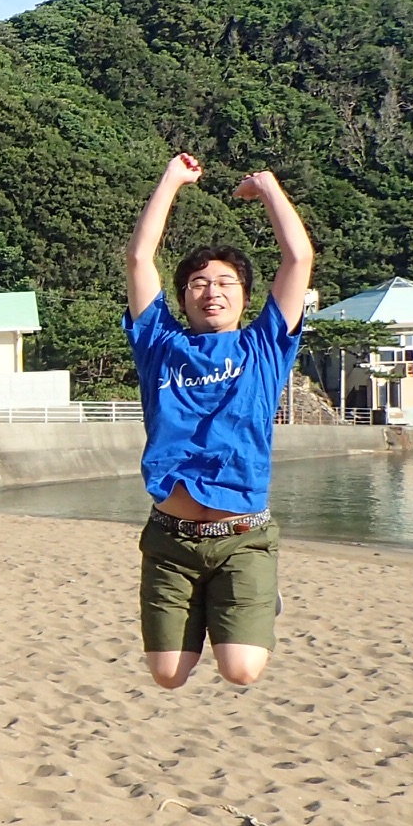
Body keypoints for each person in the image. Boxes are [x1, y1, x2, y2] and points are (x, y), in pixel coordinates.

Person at [123, 153, 312, 689]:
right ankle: (218, 606)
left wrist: (269, 189)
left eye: (227, 282)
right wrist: (171, 180)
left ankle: (248, 593)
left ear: (246, 297)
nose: (213, 291)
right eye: (200, 283)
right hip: (170, 540)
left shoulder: (263, 346)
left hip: (243, 536)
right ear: (182, 298)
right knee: (167, 676)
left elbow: (298, 259)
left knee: (241, 670)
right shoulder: (159, 345)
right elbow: (140, 259)